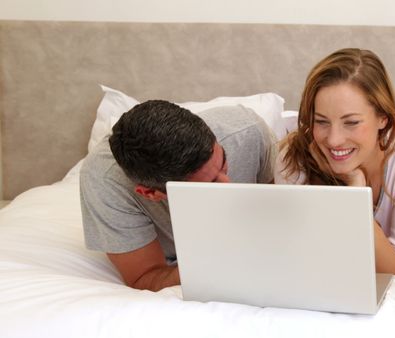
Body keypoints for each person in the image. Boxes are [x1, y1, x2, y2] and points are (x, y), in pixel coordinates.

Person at [80, 100, 276, 291]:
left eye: (223, 161)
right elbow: (145, 277)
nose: (228, 184)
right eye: (209, 185)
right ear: (151, 193)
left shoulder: (248, 131)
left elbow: (277, 211)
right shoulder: (105, 183)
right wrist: (215, 262)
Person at [275, 48, 395, 275]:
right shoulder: (292, 159)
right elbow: (300, 260)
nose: (334, 140)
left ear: (383, 117)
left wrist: (356, 195)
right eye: (321, 122)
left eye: (351, 122)